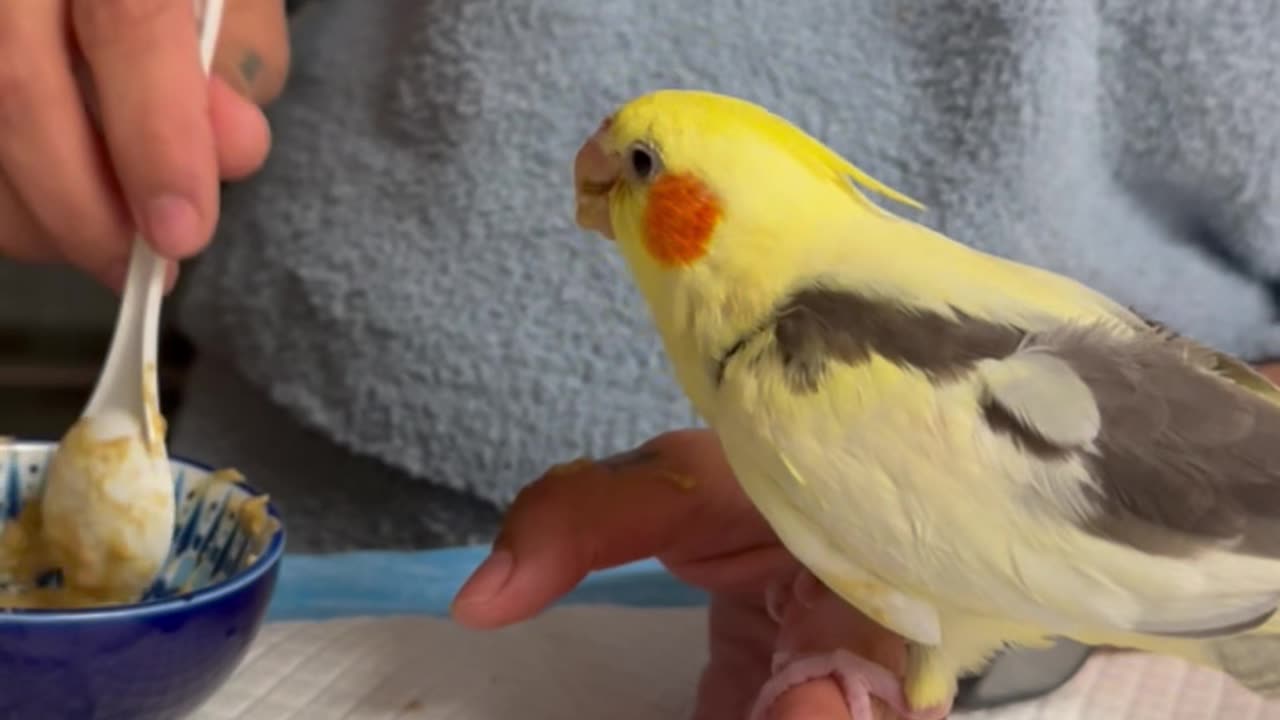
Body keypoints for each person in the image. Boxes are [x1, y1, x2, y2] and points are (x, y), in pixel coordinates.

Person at [4, 1, 1280, 718]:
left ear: (709, 213)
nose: (599, 185)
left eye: (643, 172)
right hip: (336, 557)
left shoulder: (797, 369)